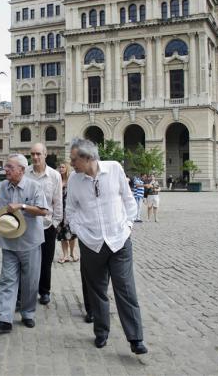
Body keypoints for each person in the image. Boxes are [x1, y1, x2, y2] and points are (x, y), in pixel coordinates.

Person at [67, 138, 148, 354]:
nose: (71, 163)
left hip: (119, 240)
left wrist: (129, 225)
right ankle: (101, 332)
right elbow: (71, 211)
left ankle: (136, 338)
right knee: (97, 291)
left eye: (74, 159)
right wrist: (81, 233)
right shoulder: (74, 181)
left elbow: (129, 199)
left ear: (87, 157)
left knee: (126, 289)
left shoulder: (114, 169)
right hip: (91, 244)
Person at [0, 154, 48, 332]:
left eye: (10, 167)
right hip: (9, 241)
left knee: (30, 281)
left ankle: (28, 313)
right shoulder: (1, 187)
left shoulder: (34, 187)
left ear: (21, 170)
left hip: (30, 242)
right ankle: (5, 319)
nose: (6, 170)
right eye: (6, 167)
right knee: (7, 280)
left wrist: (22, 206)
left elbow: (43, 211)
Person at [27, 143, 62, 305]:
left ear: (45, 155)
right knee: (27, 261)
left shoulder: (54, 176)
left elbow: (58, 202)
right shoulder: (25, 173)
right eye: (33, 154)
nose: (35, 157)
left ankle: (44, 291)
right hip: (28, 225)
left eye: (38, 154)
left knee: (46, 261)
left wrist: (55, 223)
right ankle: (28, 290)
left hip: (48, 225)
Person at [56, 162, 78, 263]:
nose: (61, 169)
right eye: (60, 167)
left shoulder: (72, 180)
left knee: (71, 234)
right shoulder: (58, 180)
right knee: (62, 234)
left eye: (63, 167)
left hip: (70, 211)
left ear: (67, 168)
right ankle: (65, 255)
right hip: (60, 210)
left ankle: (72, 253)